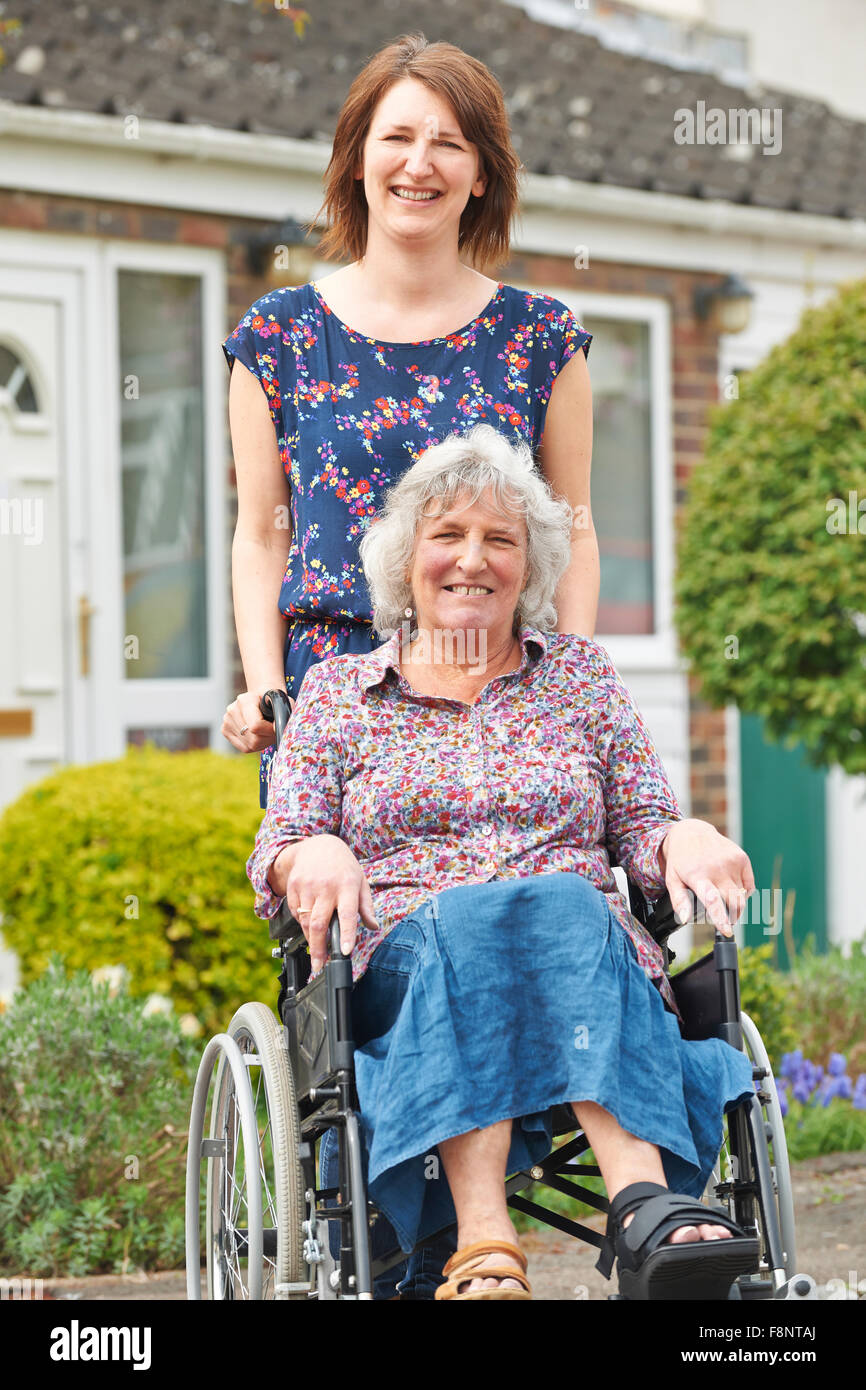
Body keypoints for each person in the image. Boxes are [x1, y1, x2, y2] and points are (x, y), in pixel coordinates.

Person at [221, 33, 596, 1298]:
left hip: (505, 683)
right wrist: (266, 684)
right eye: (396, 136)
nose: (419, 162)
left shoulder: (545, 336)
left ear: (482, 174)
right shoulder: (277, 336)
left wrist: (570, 689)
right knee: (364, 955)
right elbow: (258, 531)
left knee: (541, 897)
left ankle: (494, 1217)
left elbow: (574, 526)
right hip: (343, 700)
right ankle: (411, 1234)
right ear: (358, 160)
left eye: (449, 141)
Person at [246, 424, 761, 1301]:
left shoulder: (582, 679)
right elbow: (277, 851)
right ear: (408, 559)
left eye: (501, 540)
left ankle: (635, 1203)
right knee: (473, 912)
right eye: (448, 536)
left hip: (581, 958)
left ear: (532, 569)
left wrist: (685, 836)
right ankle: (498, 1234)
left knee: (558, 899)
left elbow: (640, 822)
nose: (472, 560)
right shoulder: (338, 693)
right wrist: (315, 847)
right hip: (404, 965)